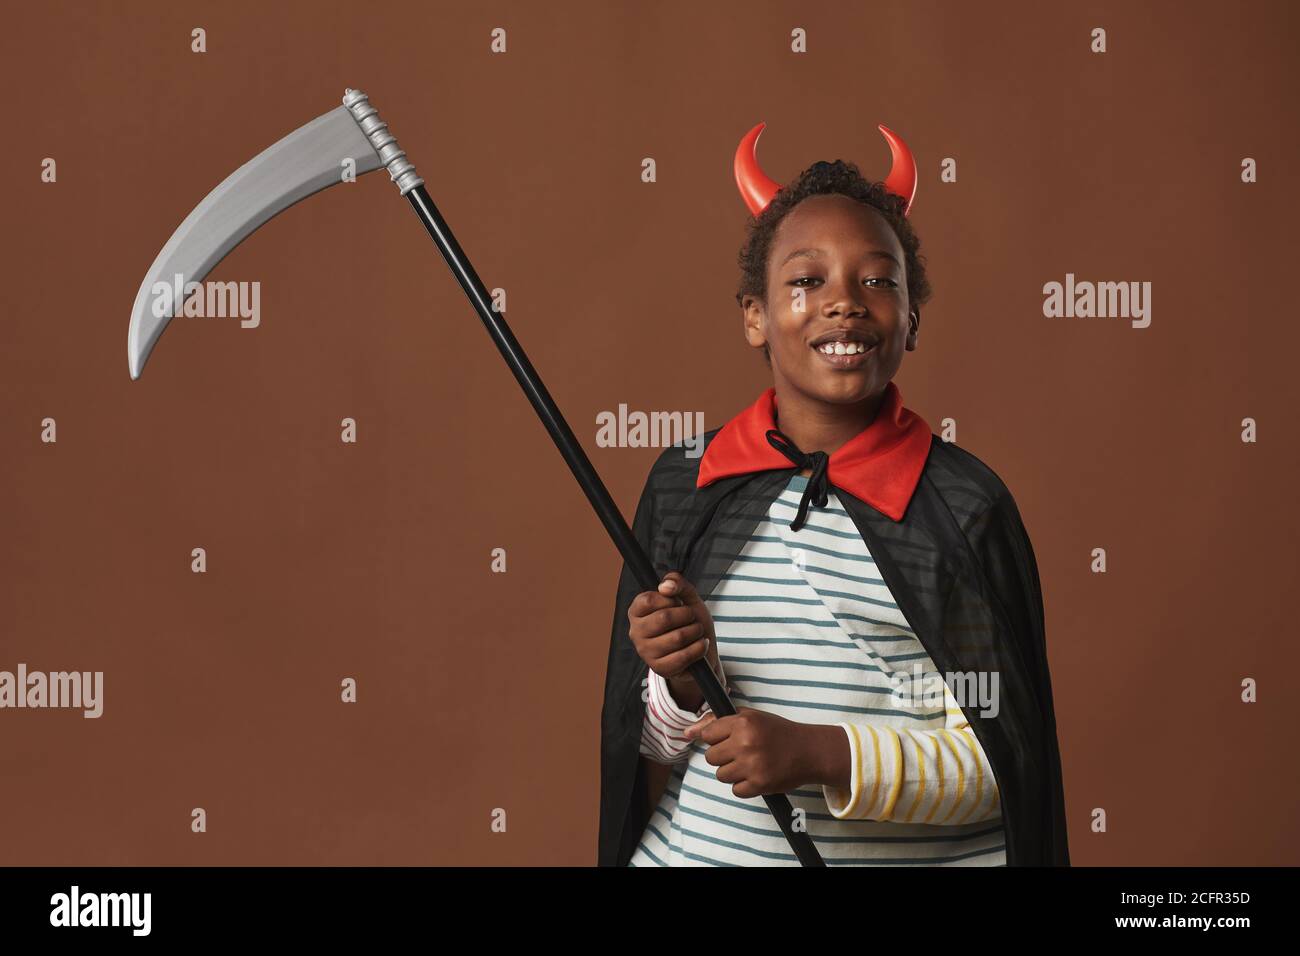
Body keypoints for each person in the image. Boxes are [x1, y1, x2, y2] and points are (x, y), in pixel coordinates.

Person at [598, 126, 1069, 867]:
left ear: (911, 318)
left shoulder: (961, 507)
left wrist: (821, 753)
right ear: (755, 314)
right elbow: (651, 749)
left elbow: (1005, 770)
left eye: (878, 280)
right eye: (807, 280)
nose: (844, 303)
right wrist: (685, 686)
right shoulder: (691, 481)